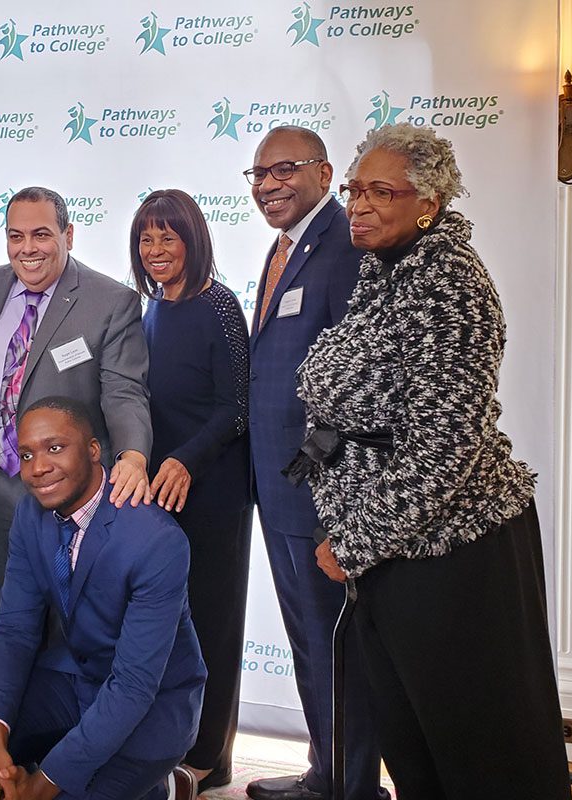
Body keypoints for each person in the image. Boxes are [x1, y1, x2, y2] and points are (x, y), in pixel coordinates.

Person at [297, 123, 571, 799]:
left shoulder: (450, 285)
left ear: (429, 201)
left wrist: (354, 542)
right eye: (356, 189)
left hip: (455, 562)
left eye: (380, 191)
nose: (358, 204)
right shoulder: (384, 270)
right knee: (417, 751)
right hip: (396, 558)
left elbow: (443, 451)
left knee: (479, 757)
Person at [0, 397, 203, 800]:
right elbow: (14, 630)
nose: (38, 467)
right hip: (71, 676)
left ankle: (162, 786)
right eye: (26, 454)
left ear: (94, 450)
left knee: (64, 792)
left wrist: (42, 785)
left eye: (55, 448)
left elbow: (132, 685)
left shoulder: (157, 540)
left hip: (150, 703)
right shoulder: (29, 514)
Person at [241, 127, 386, 800]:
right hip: (277, 490)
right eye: (258, 174)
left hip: (320, 498)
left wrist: (345, 513)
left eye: (283, 170)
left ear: (324, 174)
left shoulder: (344, 247)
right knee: (309, 643)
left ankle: (351, 788)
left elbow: (359, 387)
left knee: (336, 649)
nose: (267, 184)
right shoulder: (284, 249)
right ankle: (327, 773)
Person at [0, 186, 151, 613]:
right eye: (16, 236)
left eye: (41, 235)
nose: (28, 249)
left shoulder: (110, 301)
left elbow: (124, 390)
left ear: (68, 235)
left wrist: (134, 456)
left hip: (65, 488)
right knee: (4, 612)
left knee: (66, 619)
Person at [129, 189, 253, 791]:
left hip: (212, 489)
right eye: (147, 238)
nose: (156, 250)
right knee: (171, 624)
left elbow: (238, 407)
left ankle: (209, 758)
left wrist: (185, 460)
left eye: (168, 237)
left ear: (193, 240)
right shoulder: (153, 307)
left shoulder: (220, 304)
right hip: (160, 490)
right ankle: (173, 742)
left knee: (214, 621)